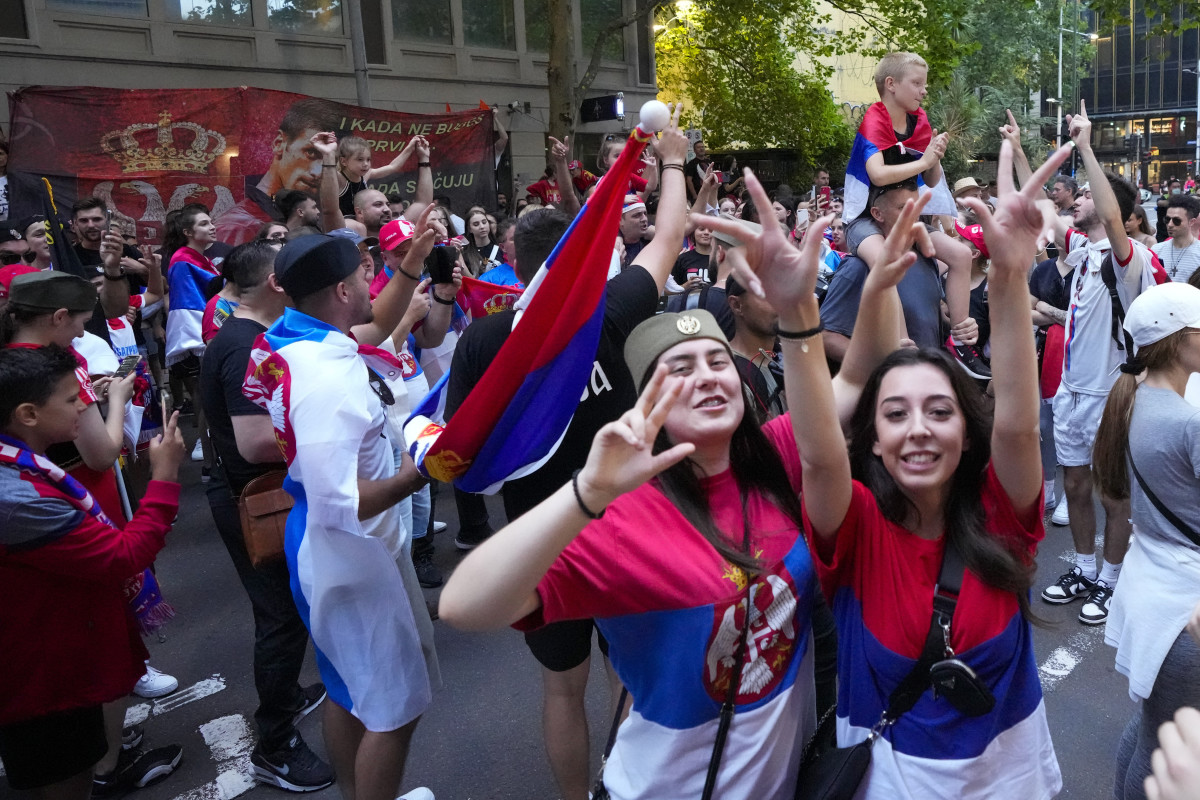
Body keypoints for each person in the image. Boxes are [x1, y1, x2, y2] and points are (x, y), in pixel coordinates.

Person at [439, 158, 929, 798]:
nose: (706, 377)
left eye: (715, 362)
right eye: (680, 368)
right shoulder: (623, 516)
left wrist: (818, 299)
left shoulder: (775, 454)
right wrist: (586, 495)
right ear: (648, 400)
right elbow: (463, 605)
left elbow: (857, 377)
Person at [781, 139, 1069, 799]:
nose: (918, 428)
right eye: (895, 414)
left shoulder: (1002, 516)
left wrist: (1011, 276)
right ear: (874, 440)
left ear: (966, 435)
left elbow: (1019, 425)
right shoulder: (856, 530)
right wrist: (797, 321)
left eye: (940, 411)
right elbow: (818, 454)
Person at [241, 231, 441, 800]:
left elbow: (373, 328)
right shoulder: (325, 378)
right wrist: (416, 474)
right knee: (394, 710)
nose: (372, 285)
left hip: (341, 544)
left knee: (349, 690)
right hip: (349, 551)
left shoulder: (300, 337)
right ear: (342, 291)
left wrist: (411, 264)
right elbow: (341, 501)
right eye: (363, 277)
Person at [0, 345, 185, 800]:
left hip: (52, 657)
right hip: (41, 679)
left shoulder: (21, 463)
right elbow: (122, 556)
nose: (84, 406)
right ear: (27, 414)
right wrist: (164, 476)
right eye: (71, 399)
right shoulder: (18, 498)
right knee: (65, 783)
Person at [199, 241, 333, 792]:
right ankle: (275, 745)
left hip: (253, 492)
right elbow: (255, 443)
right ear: (277, 284)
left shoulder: (250, 335)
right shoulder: (243, 345)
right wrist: (324, 435)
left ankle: (289, 697)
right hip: (251, 497)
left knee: (284, 611)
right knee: (281, 618)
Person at [1039, 101, 1159, 626]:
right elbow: (1042, 209)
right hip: (1071, 392)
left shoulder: (1127, 260)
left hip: (1110, 395)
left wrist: (1085, 146)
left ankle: (1110, 580)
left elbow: (1110, 217)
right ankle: (1085, 570)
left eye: (1088, 192)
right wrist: (1014, 150)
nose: (1078, 198)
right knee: (1075, 487)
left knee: (1114, 495)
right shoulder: (1082, 251)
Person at [1091, 283, 1200, 800]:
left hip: (1152, 588)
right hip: (1185, 611)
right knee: (1169, 745)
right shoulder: (1188, 421)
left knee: (1151, 728)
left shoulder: (1137, 399)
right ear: (1180, 341)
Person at [215, 98, 341, 246]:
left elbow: (331, 212)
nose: (318, 172)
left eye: (328, 160)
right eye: (311, 153)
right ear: (279, 144)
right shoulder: (236, 227)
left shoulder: (310, 219)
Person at [333, 135, 423, 218]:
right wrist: (328, 151)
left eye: (368, 159)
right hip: (343, 225)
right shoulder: (339, 178)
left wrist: (410, 147)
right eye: (360, 159)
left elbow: (393, 167)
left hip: (362, 223)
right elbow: (326, 170)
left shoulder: (366, 175)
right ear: (344, 161)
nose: (365, 164)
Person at [1153, 195, 1200, 283]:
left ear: (1191, 222)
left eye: (1176, 221)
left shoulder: (1198, 251)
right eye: (1167, 219)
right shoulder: (1156, 250)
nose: (1170, 224)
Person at [462, 208, 501, 275]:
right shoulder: (465, 253)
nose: (482, 227)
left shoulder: (501, 249)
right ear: (469, 229)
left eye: (484, 222)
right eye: (476, 224)